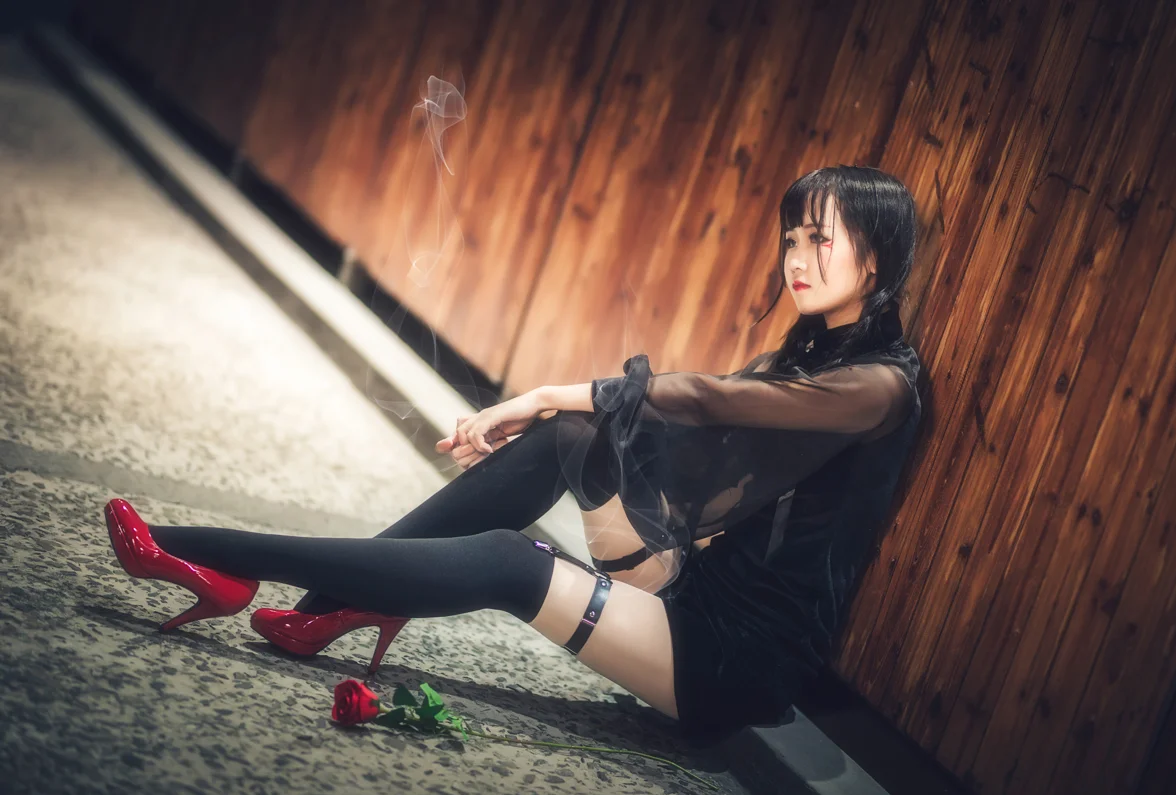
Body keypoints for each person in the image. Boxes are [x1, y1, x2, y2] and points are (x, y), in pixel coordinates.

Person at [103, 164, 923, 747]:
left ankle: (216, 557)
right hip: (694, 587)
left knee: (508, 558)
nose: (796, 258)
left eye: (819, 239)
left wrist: (541, 394)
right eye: (790, 237)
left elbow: (707, 403)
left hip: (729, 658)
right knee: (569, 437)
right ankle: (323, 602)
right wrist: (563, 417)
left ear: (876, 257)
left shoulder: (879, 388)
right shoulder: (808, 354)